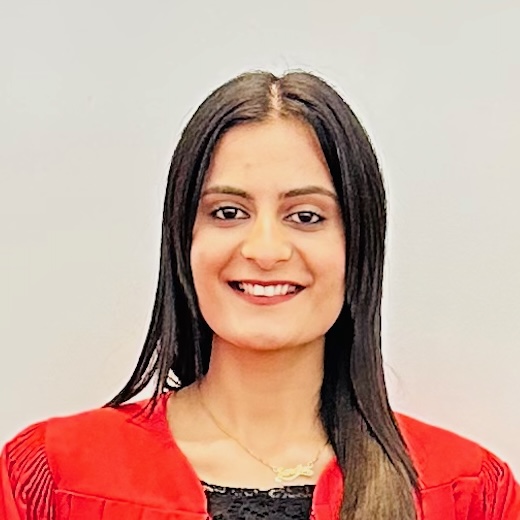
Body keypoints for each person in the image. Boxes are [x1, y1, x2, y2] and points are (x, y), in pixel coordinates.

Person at [1, 71, 518, 520]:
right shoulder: (54, 476)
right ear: (183, 240)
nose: (265, 250)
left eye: (306, 216)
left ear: (358, 247)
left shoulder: (466, 492)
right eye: (228, 212)